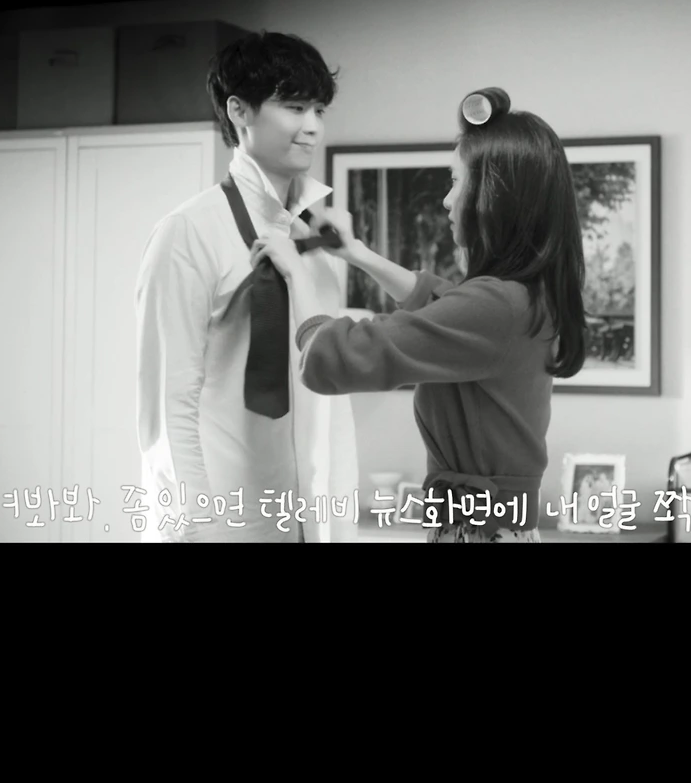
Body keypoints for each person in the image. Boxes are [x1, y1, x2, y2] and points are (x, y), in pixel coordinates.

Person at [251, 87, 586, 543]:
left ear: (493, 198)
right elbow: (439, 301)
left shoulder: (496, 306)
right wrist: (357, 253)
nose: (447, 200)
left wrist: (296, 273)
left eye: (456, 182)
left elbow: (332, 357)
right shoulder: (526, 296)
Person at [134, 31, 358, 543]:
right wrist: (195, 527)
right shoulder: (188, 232)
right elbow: (170, 401)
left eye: (319, 110)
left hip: (310, 518)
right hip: (224, 518)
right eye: (295, 107)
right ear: (239, 111)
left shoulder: (318, 240)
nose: (312, 127)